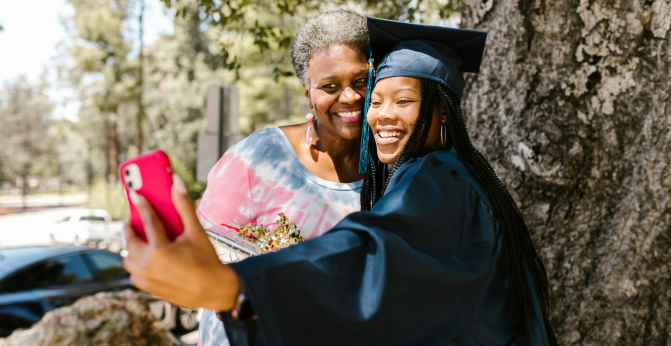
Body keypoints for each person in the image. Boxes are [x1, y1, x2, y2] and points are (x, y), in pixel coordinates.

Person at [123, 17, 558, 346]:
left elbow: (376, 256)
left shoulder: (439, 181)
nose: (379, 112)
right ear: (309, 93)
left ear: (442, 111)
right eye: (379, 100)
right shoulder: (447, 178)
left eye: (402, 100)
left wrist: (240, 289)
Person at [194, 10, 369, 345]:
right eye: (330, 86)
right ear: (308, 93)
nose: (349, 97)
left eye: (360, 81)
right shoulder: (258, 158)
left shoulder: (390, 169)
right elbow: (204, 263)